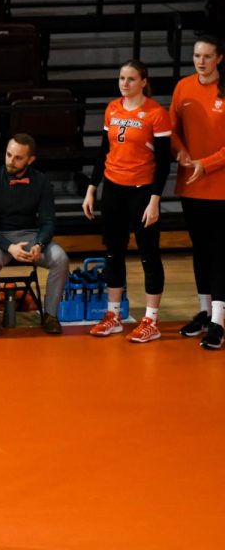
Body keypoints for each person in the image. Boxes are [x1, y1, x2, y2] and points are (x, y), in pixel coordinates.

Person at [82, 60, 172, 343]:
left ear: (143, 81)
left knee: (148, 253)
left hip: (142, 191)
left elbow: (164, 163)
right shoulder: (112, 108)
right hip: (114, 189)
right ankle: (113, 316)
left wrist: (155, 200)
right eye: (122, 78)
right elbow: (103, 151)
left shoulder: (157, 114)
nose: (125, 83)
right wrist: (91, 187)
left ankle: (151, 321)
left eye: (131, 79)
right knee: (113, 251)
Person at [0, 134, 69, 337]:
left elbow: (48, 221)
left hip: (31, 236)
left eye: (18, 158)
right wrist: (9, 247)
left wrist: (40, 244)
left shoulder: (41, 181)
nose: (11, 161)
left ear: (30, 159)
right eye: (9, 155)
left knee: (61, 258)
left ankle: (51, 315)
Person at [169, 34, 225, 350]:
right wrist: (179, 153)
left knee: (219, 253)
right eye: (196, 56)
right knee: (200, 251)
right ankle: (204, 311)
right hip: (191, 186)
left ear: (219, 59)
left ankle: (218, 321)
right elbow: (173, 130)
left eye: (206, 56)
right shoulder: (183, 88)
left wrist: (208, 163)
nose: (200, 61)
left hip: (220, 187)